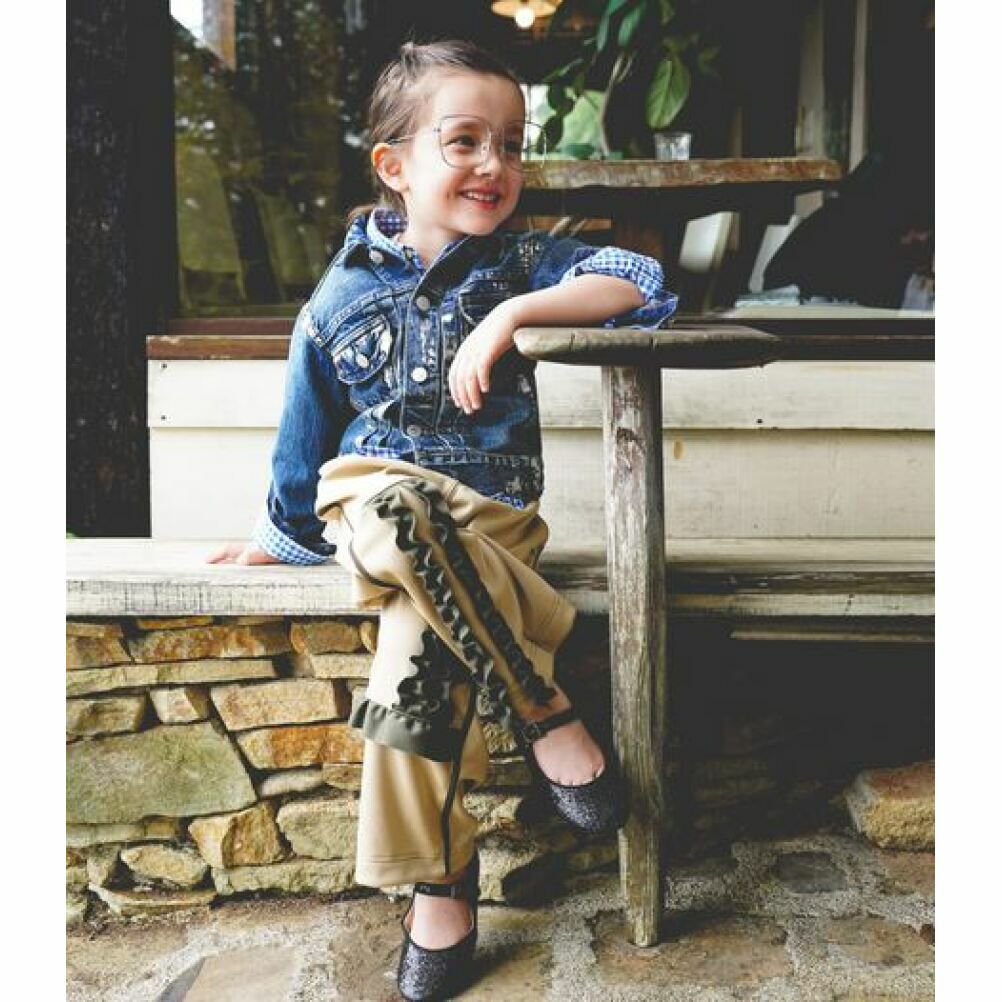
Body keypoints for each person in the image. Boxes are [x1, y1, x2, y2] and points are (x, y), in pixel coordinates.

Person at [209, 38, 678, 1001]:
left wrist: (510, 318)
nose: (493, 164)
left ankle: (441, 882)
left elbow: (640, 279)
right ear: (394, 165)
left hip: (488, 524)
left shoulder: (523, 264)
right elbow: (306, 433)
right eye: (464, 141)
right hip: (372, 500)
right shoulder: (340, 293)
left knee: (412, 663)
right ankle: (540, 704)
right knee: (394, 508)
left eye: (511, 144)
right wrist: (278, 538)